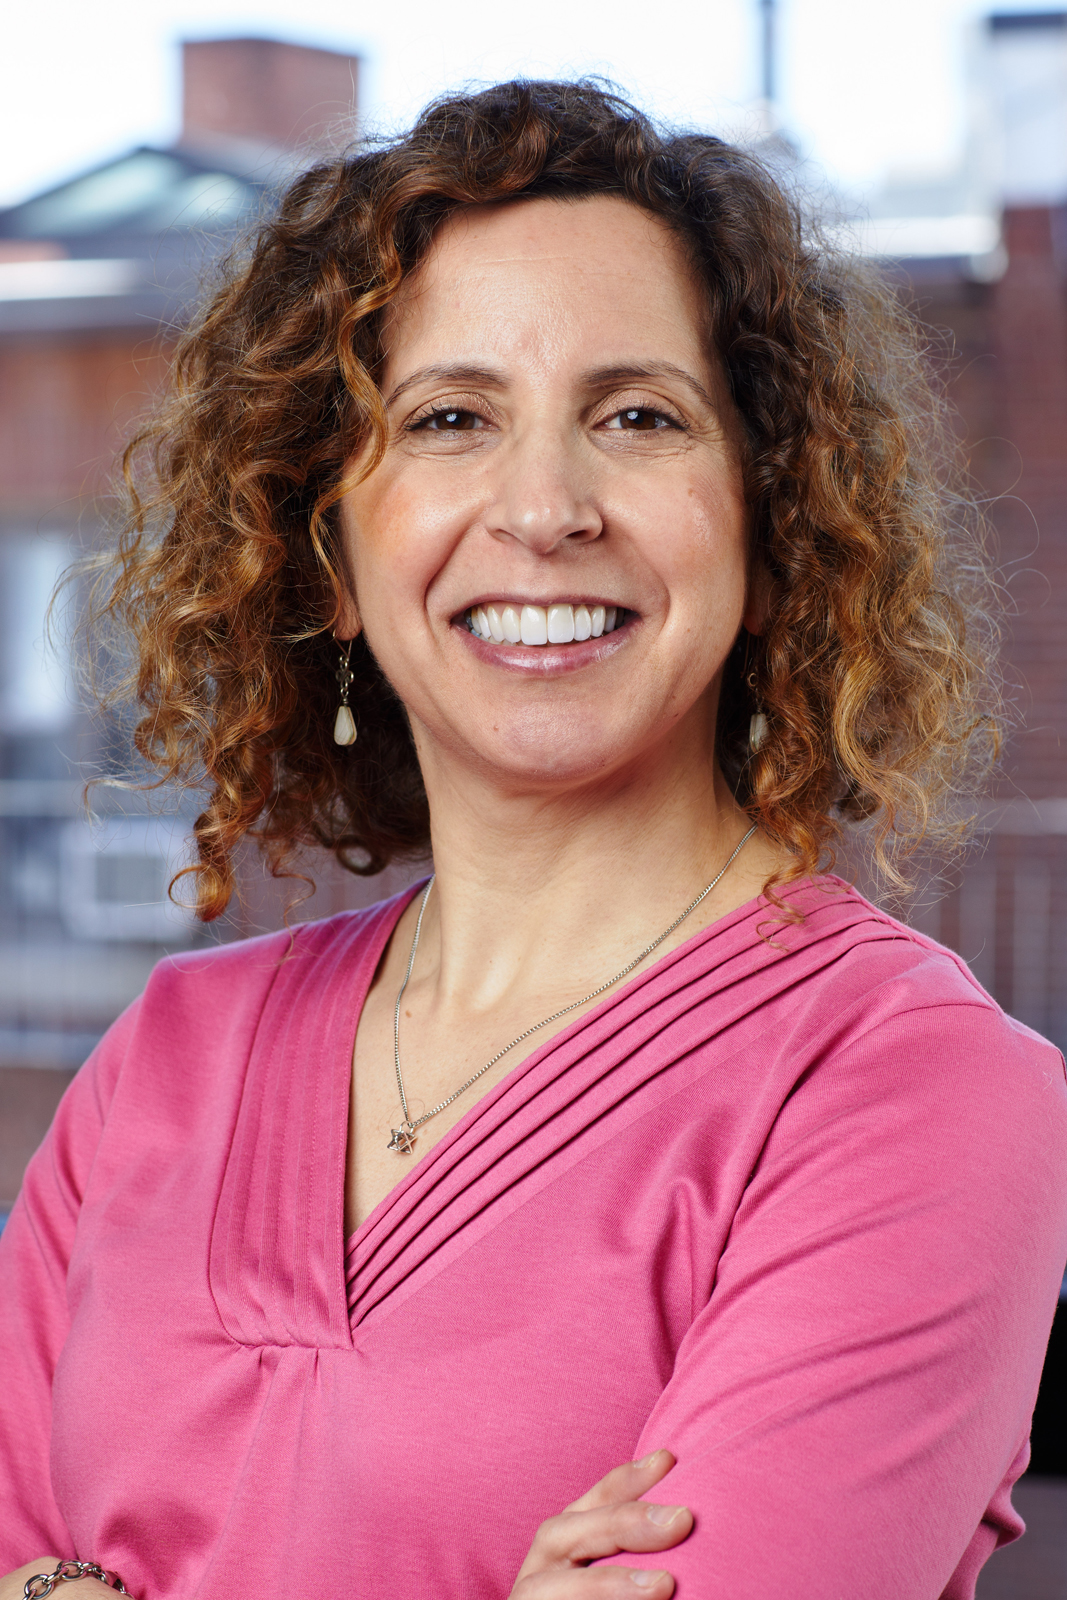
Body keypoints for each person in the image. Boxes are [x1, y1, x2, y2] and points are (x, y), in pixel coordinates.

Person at [1, 80, 1065, 1600]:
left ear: (766, 526)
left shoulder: (918, 1096)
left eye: (638, 416)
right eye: (448, 418)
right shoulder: (167, 1063)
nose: (546, 504)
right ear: (328, 548)